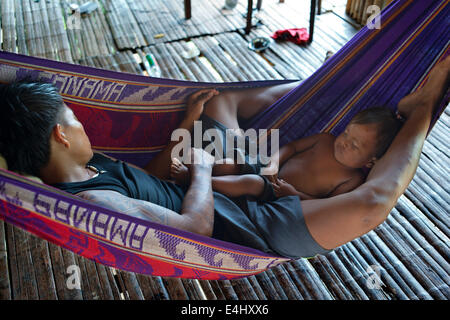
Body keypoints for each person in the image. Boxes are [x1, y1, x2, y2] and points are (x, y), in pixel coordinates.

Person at [0, 55, 448, 259]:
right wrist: (200, 169)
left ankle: (336, 83)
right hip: (248, 228)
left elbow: (151, 177)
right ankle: (421, 113)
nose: (83, 126)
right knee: (372, 204)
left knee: (222, 102)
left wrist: (184, 126)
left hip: (218, 183)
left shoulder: (92, 166)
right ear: (60, 134)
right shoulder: (96, 204)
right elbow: (195, 229)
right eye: (75, 118)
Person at [170, 107, 402, 200]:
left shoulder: (352, 179)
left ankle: (195, 179)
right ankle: (195, 168)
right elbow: (291, 148)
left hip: (279, 196)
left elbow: (326, 204)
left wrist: (295, 194)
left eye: (354, 145)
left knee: (251, 183)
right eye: (346, 134)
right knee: (233, 162)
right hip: (268, 169)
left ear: (371, 161)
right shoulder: (325, 139)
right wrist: (274, 162)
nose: (344, 143)